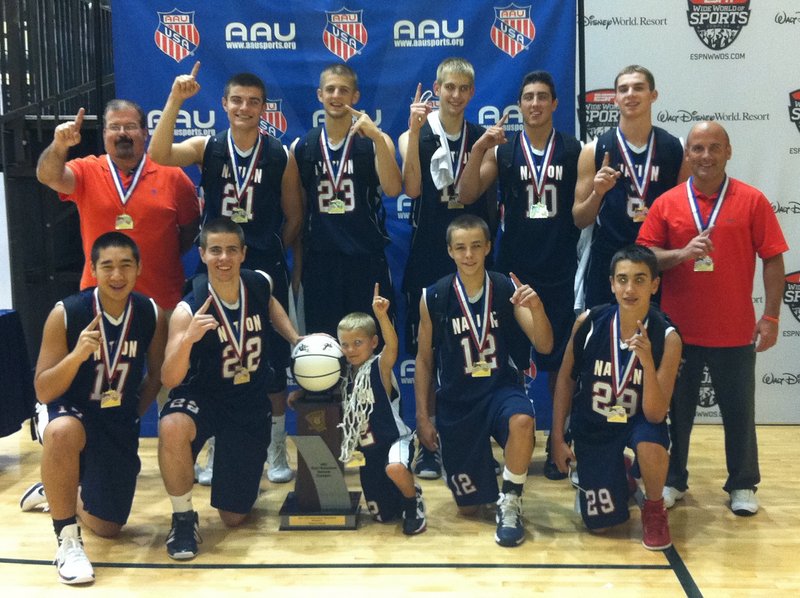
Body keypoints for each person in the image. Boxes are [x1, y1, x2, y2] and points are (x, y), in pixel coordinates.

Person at [149, 64, 304, 485]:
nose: (245, 107)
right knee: (212, 356)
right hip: (216, 263)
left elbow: (294, 216)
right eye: (237, 100)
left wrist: (267, 252)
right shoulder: (207, 146)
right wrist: (176, 100)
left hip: (261, 264)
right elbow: (159, 156)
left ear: (263, 108)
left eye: (253, 102)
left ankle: (275, 447)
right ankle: (217, 441)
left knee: (270, 360)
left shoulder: (280, 154)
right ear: (224, 104)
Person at [637, 121, 788, 516]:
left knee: (740, 414)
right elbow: (645, 258)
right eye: (698, 148)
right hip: (676, 333)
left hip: (734, 330)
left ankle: (742, 484)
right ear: (687, 154)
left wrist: (770, 316)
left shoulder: (752, 201)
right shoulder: (667, 203)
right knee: (675, 415)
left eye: (714, 148)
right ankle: (673, 480)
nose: (706, 156)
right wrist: (683, 254)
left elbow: (773, 259)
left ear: (728, 152)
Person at [459, 70, 582, 480]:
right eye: (528, 97)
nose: (535, 104)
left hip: (559, 267)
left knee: (559, 363)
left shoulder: (572, 148)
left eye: (542, 97)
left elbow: (581, 214)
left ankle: (557, 443)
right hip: (512, 270)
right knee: (510, 361)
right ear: (520, 105)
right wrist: (478, 149)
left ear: (554, 104)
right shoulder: (506, 151)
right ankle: (507, 443)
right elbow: (467, 194)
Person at [28, 232, 167, 584]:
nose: (116, 276)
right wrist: (76, 357)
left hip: (116, 417)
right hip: (69, 408)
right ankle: (68, 542)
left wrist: (132, 414)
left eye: (125, 266)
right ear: (93, 269)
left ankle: (56, 486)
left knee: (109, 526)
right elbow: (44, 390)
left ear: (139, 268)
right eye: (107, 267)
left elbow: (155, 377)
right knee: (62, 431)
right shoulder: (67, 313)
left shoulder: (150, 312)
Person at [158, 218, 300, 559]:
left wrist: (294, 337)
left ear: (243, 253)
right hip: (201, 397)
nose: (224, 258)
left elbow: (271, 306)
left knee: (234, 517)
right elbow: (169, 378)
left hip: (247, 401)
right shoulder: (187, 308)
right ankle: (182, 518)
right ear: (203, 254)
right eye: (216, 250)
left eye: (231, 250)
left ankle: (229, 463)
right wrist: (188, 339)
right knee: (172, 425)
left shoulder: (258, 283)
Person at [415, 214, 553, 547]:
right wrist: (423, 416)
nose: (469, 254)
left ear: (488, 247)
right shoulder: (435, 296)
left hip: (499, 391)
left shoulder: (506, 288)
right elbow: (423, 360)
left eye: (476, 246)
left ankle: (511, 499)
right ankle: (479, 475)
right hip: (457, 401)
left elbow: (545, 344)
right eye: (460, 247)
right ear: (449, 251)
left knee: (522, 420)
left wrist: (537, 308)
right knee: (469, 508)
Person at [398, 57, 496, 480]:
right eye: (448, 87)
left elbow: (470, 190)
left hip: (472, 259)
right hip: (426, 258)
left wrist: (474, 151)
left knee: (474, 351)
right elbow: (413, 188)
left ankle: (472, 438)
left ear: (472, 93)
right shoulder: (412, 134)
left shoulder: (483, 139)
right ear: (436, 88)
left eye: (463, 89)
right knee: (428, 352)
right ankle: (427, 443)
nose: (455, 96)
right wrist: (417, 131)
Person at [550, 245, 681, 550]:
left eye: (639, 279)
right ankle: (619, 473)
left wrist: (647, 361)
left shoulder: (667, 337)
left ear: (655, 284)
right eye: (622, 279)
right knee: (602, 527)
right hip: (594, 426)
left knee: (650, 444)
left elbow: (655, 414)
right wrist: (557, 437)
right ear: (611, 283)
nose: (630, 288)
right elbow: (565, 382)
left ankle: (653, 508)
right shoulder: (588, 323)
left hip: (638, 423)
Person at [36, 100, 200, 311]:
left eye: (130, 127)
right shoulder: (87, 170)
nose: (122, 133)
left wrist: (162, 254)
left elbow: (191, 228)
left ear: (145, 132)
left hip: (162, 301)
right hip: (98, 303)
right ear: (104, 134)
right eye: (114, 127)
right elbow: (47, 176)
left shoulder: (173, 175)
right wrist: (59, 144)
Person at [291, 63, 402, 339]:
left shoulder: (375, 140)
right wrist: (298, 269)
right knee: (324, 345)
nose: (336, 95)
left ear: (355, 97)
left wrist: (377, 136)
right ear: (319, 95)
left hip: (365, 260)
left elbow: (392, 188)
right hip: (321, 263)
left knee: (371, 342)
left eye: (344, 90)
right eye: (330, 89)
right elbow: (301, 213)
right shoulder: (302, 146)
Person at [573, 65, 688, 308]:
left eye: (638, 88)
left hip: (657, 262)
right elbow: (579, 219)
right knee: (605, 340)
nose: (630, 94)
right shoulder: (593, 150)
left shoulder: (676, 149)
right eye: (623, 89)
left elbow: (685, 215)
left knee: (656, 340)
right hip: (609, 262)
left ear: (653, 95)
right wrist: (597, 193)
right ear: (615, 99)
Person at [336, 284, 425, 535]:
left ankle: (413, 502)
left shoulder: (379, 367)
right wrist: (300, 394)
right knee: (382, 516)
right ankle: (403, 493)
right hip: (370, 451)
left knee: (395, 468)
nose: (351, 349)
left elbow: (393, 348)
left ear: (373, 342)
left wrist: (382, 316)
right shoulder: (342, 375)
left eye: (357, 342)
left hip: (395, 440)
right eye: (345, 344)